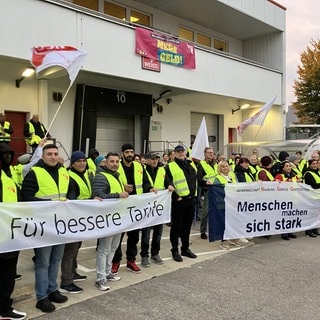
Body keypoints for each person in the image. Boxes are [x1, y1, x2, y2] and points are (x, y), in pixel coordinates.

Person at [21, 144, 69, 313]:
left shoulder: (64, 172)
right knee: (43, 262)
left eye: (56, 154)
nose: (53, 157)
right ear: (43, 156)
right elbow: (25, 196)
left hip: (61, 224)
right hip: (43, 226)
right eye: (49, 154)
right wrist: (48, 204)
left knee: (56, 259)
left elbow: (69, 193)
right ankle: (41, 297)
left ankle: (52, 289)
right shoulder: (35, 172)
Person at [111, 143, 154, 274]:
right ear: (122, 153)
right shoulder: (116, 166)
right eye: (127, 152)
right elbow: (110, 182)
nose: (129, 154)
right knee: (118, 237)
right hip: (121, 208)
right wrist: (122, 188)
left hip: (136, 208)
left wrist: (150, 188)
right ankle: (115, 262)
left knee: (134, 237)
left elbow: (145, 182)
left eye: (131, 152)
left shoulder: (139, 166)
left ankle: (131, 261)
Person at [93, 152, 128, 290]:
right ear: (105, 162)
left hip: (117, 217)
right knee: (104, 249)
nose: (115, 164)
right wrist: (118, 195)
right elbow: (98, 195)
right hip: (107, 219)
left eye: (117, 162)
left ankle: (108, 272)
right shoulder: (101, 176)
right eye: (112, 161)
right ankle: (100, 277)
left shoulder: (116, 176)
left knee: (113, 247)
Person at [0, 144, 27, 320]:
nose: (8, 158)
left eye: (10, 155)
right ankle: (3, 309)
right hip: (3, 236)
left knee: (8, 275)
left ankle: (4, 306)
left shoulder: (9, 176)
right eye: (4, 155)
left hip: (11, 233)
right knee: (4, 275)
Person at [59, 151, 91, 294]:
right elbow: (72, 200)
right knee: (69, 251)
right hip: (73, 220)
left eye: (84, 161)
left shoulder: (83, 175)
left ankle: (73, 272)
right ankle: (66, 282)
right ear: (72, 164)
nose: (82, 163)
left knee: (76, 248)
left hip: (81, 218)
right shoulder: (70, 178)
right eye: (79, 161)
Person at [140, 151, 174, 267]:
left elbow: (168, 180)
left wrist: (170, 185)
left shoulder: (162, 169)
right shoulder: (143, 170)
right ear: (148, 159)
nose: (155, 161)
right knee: (146, 234)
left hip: (159, 206)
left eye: (157, 159)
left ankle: (155, 253)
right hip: (147, 206)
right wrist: (149, 188)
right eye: (153, 159)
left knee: (158, 232)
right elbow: (142, 183)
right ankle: (144, 255)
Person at [166, 145, 197, 262]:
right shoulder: (170, 166)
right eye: (178, 152)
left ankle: (185, 248)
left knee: (187, 226)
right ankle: (174, 250)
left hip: (191, 200)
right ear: (174, 154)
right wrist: (176, 197)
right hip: (179, 201)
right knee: (176, 227)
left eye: (182, 151)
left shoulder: (190, 164)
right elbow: (167, 183)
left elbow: (195, 180)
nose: (181, 153)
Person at [213, 160, 238, 250]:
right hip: (223, 204)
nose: (225, 168)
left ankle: (231, 238)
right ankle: (223, 241)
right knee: (224, 223)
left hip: (233, 203)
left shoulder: (232, 176)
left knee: (232, 221)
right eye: (223, 167)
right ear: (219, 169)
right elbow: (217, 192)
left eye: (226, 166)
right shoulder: (218, 178)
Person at [274, 160, 299, 240]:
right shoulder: (279, 175)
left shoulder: (294, 175)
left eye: (290, 166)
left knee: (291, 215)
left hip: (293, 198)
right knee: (284, 216)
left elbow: (300, 183)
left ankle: (290, 231)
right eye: (287, 166)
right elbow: (276, 184)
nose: (289, 168)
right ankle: (284, 233)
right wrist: (286, 182)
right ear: (283, 168)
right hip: (283, 199)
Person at [197, 147, 217, 240]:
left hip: (217, 190)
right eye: (209, 153)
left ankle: (215, 229)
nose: (211, 154)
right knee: (206, 212)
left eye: (212, 152)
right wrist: (206, 183)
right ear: (205, 154)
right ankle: (203, 231)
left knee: (216, 211)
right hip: (208, 190)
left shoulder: (216, 164)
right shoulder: (202, 164)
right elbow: (199, 179)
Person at [303, 159, 320, 237]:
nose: (315, 165)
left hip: (317, 196)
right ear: (309, 165)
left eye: (316, 164)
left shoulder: (318, 172)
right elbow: (314, 185)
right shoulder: (308, 173)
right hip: (311, 197)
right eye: (313, 164)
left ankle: (315, 229)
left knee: (316, 214)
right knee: (310, 214)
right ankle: (308, 230)